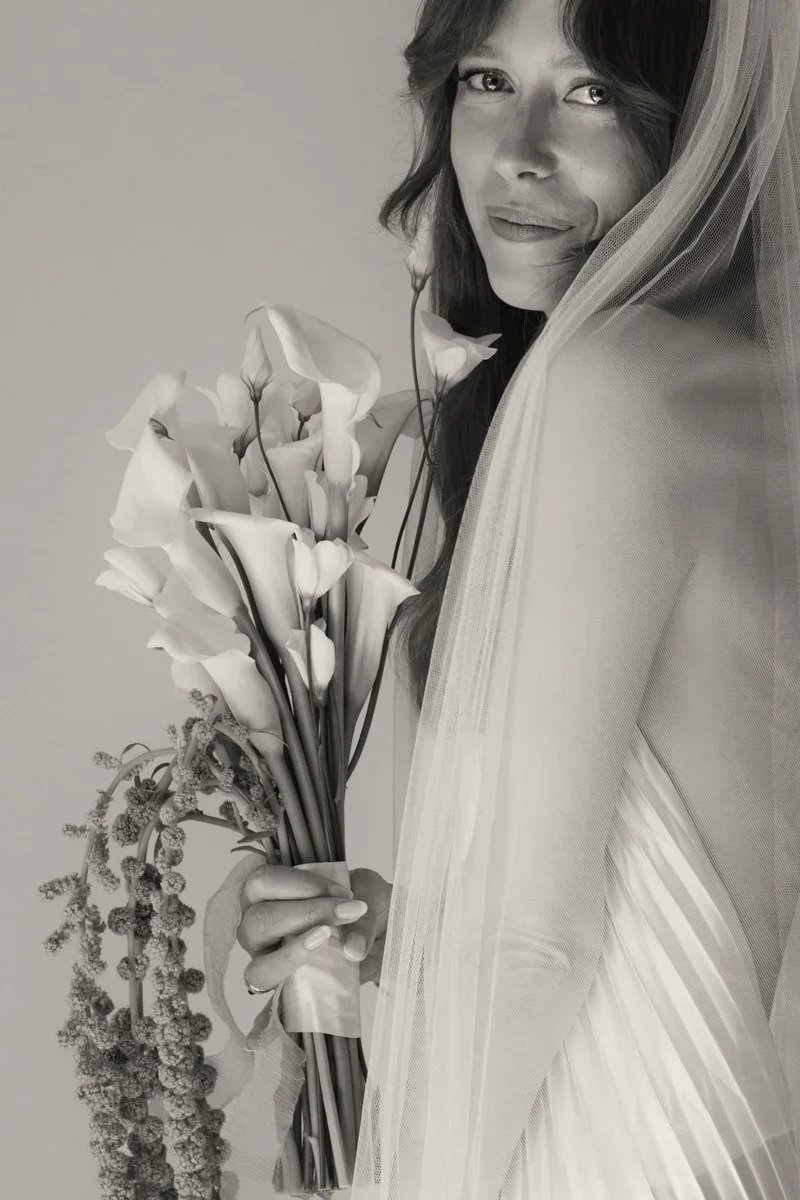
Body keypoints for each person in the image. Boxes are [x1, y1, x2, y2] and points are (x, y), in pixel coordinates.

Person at [239, 0, 800, 1195]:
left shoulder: (609, 381)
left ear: (694, 119)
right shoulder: (741, 388)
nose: (518, 152)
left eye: (589, 92)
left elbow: (531, 950)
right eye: (486, 80)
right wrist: (406, 935)